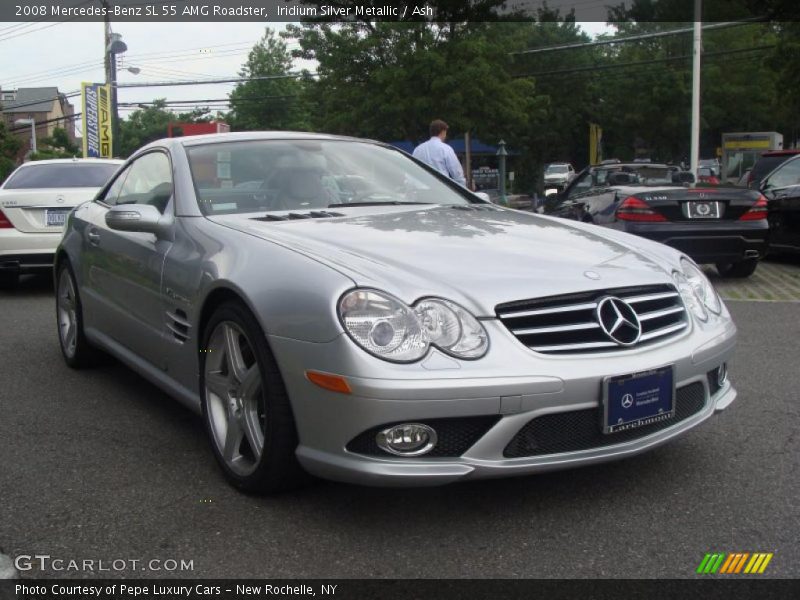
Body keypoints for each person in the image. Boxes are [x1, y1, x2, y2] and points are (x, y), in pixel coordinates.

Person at [412, 119, 467, 187]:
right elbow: (456, 172)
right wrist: (462, 186)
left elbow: (412, 170)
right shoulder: (446, 149)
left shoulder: (417, 150)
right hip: (441, 189)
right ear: (443, 132)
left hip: (421, 189)